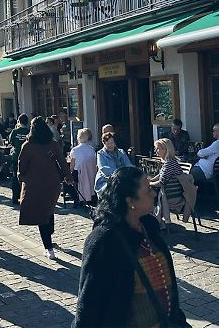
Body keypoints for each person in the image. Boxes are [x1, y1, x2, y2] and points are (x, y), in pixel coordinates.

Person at [73, 167, 188, 328]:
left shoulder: (149, 228)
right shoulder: (104, 241)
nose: (154, 194)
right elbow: (89, 303)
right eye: (148, 190)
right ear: (130, 201)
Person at [18, 117, 71, 259]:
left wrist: (21, 177)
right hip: (52, 183)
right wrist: (68, 177)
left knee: (42, 215)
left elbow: (21, 165)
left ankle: (49, 248)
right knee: (48, 209)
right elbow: (62, 161)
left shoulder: (28, 146)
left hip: (35, 184)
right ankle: (50, 237)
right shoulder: (52, 143)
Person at [95, 132, 132, 198]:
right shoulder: (100, 154)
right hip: (106, 181)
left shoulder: (121, 152)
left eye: (112, 143)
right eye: (108, 144)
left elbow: (128, 165)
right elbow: (103, 169)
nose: (110, 145)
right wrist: (119, 174)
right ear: (104, 143)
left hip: (122, 179)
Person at [149, 138, 184, 203]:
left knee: (146, 194)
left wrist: (149, 184)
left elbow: (161, 183)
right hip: (169, 193)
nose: (156, 151)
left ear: (166, 150)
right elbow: (161, 175)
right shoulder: (169, 161)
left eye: (158, 148)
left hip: (173, 195)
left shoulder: (169, 163)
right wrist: (151, 180)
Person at [69, 128, 97, 206]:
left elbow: (72, 165)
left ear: (78, 138)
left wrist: (69, 173)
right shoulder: (92, 149)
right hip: (90, 173)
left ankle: (76, 199)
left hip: (78, 172)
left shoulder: (74, 150)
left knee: (68, 182)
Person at [9, 114, 29, 205]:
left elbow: (11, 142)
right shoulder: (29, 131)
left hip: (16, 156)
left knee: (15, 177)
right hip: (27, 158)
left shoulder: (15, 131)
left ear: (19, 121)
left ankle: (15, 197)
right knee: (27, 177)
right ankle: (25, 196)